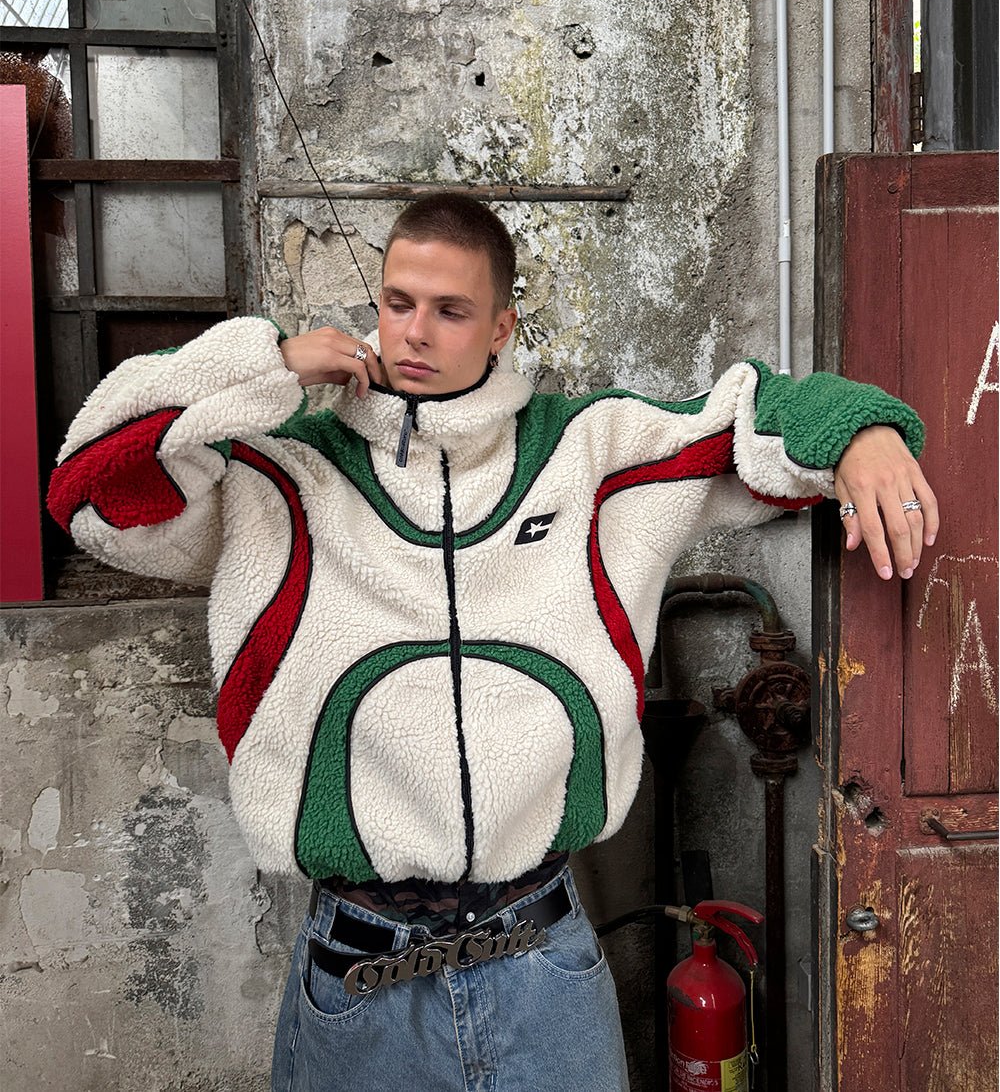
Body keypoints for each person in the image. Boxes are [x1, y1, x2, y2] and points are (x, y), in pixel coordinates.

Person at [47, 193, 937, 1092]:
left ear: (502, 326)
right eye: (398, 302)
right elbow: (89, 488)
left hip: (541, 966)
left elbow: (752, 415)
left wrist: (857, 433)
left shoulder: (592, 451)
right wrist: (265, 363)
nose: (414, 332)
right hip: (357, 977)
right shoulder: (278, 469)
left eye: (450, 310)